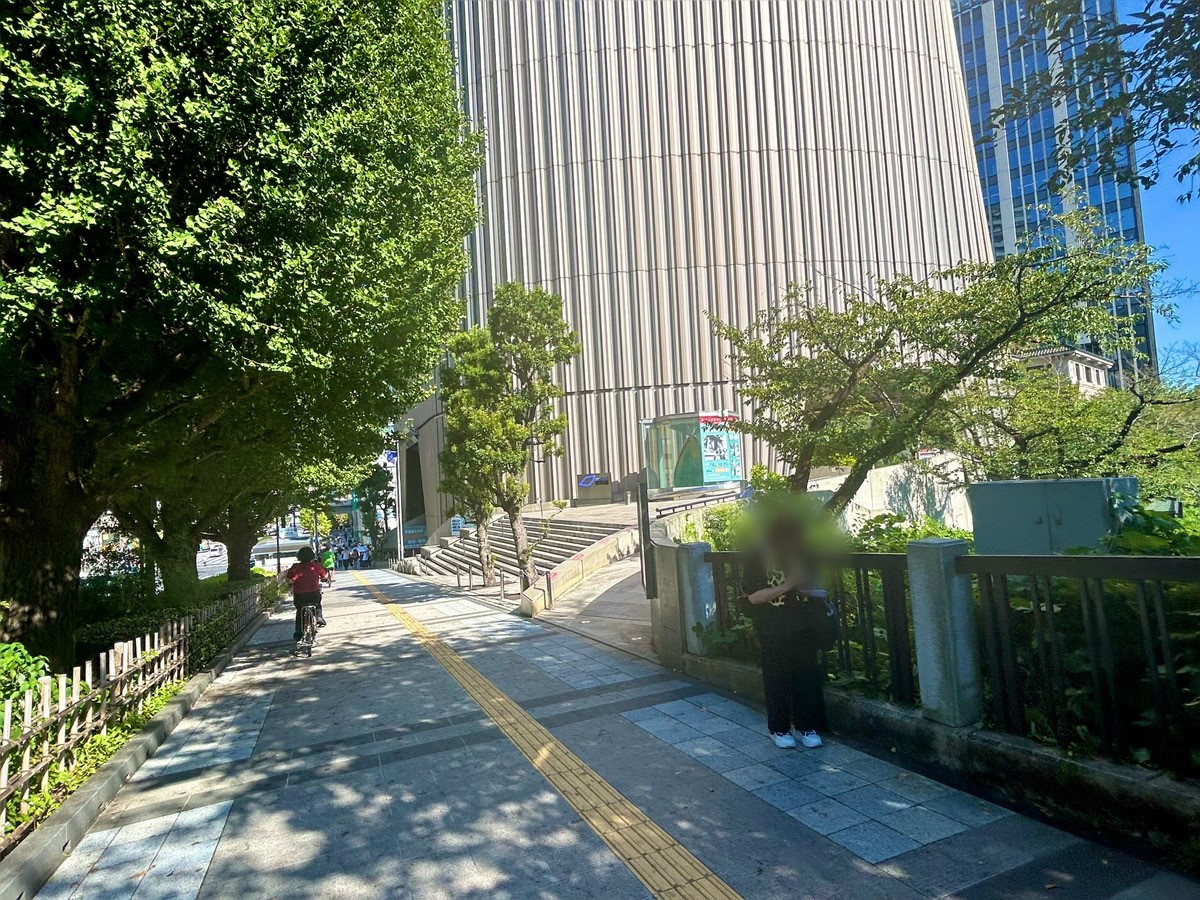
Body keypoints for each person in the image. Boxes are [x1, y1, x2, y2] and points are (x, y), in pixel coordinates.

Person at [739, 506, 832, 750]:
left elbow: (814, 583)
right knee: (776, 678)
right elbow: (752, 597)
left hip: (804, 624)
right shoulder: (757, 555)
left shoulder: (802, 552)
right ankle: (779, 729)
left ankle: (806, 726)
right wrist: (787, 586)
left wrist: (809, 588)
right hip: (772, 626)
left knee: (806, 676)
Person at [286, 546, 327, 641]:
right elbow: (323, 575)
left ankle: (298, 632)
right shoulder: (316, 566)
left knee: (299, 612)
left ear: (299, 557)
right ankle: (319, 617)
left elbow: (289, 576)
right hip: (314, 594)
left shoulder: (295, 567)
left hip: (299, 595)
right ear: (312, 556)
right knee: (317, 604)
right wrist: (323, 578)